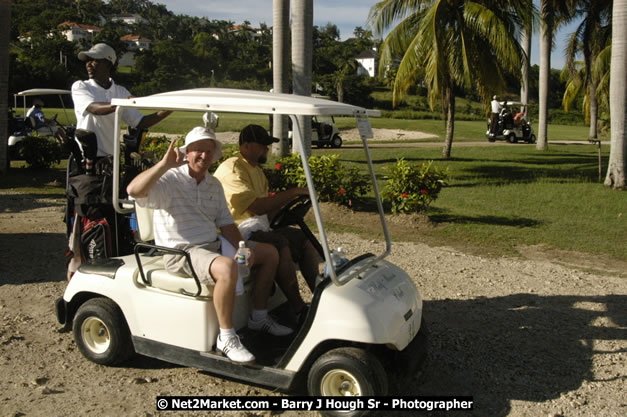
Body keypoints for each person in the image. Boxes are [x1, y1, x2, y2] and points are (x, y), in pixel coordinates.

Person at [126, 126, 293, 364]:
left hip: (213, 246)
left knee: (269, 254)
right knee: (226, 267)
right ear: (187, 152)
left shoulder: (213, 184)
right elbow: (133, 190)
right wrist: (163, 165)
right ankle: (226, 337)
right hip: (181, 252)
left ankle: (258, 316)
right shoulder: (170, 180)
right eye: (198, 151)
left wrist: (242, 247)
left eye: (208, 151)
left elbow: (226, 224)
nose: (203, 156)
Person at [213, 125, 320, 317]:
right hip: (236, 233)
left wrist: (289, 209)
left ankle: (320, 298)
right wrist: (293, 192)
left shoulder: (257, 172)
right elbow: (256, 207)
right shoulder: (233, 169)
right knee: (280, 243)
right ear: (245, 146)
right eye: (262, 145)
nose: (266, 149)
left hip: (258, 227)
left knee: (304, 239)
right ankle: (298, 309)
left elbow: (267, 213)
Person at [71, 43, 172, 157]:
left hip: (111, 158)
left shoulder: (121, 91)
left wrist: (168, 109)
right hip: (85, 157)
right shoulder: (80, 86)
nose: (88, 64)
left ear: (108, 64)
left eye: (94, 60)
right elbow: (94, 108)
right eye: (87, 60)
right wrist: (123, 102)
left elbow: (140, 122)